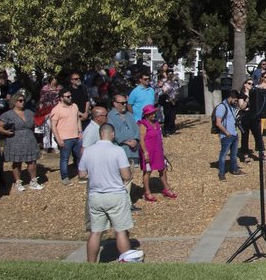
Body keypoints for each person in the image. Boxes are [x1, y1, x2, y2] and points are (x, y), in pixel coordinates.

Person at [78, 122, 134, 262]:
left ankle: (91, 264)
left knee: (95, 232)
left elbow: (81, 174)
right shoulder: (117, 150)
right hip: (115, 194)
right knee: (120, 231)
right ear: (112, 134)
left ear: (100, 134)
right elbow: (126, 176)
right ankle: (126, 261)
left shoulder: (89, 151)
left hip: (96, 196)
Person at [0, 90, 42, 192]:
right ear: (14, 102)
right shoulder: (7, 114)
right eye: (20, 100)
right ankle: (18, 182)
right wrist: (6, 132)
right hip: (15, 140)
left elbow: (36, 124)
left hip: (29, 139)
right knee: (17, 162)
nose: (22, 102)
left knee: (32, 161)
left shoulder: (29, 113)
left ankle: (33, 181)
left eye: (23, 100)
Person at [138, 104, 175, 201]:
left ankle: (166, 188)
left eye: (154, 113)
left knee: (162, 169)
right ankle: (147, 192)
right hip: (148, 151)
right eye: (151, 113)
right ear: (146, 115)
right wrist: (145, 152)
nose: (154, 115)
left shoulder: (157, 123)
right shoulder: (143, 124)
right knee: (148, 171)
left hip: (158, 150)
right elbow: (141, 139)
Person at [49, 86, 84, 185]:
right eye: (67, 96)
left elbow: (78, 120)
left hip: (76, 137)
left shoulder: (74, 106)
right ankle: (65, 177)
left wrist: (80, 132)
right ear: (61, 97)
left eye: (70, 96)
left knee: (80, 156)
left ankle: (81, 174)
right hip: (64, 138)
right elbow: (53, 126)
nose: (70, 98)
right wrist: (58, 139)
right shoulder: (56, 109)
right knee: (64, 159)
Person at [214, 90, 243, 181]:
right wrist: (226, 133)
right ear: (231, 97)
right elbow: (218, 123)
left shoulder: (232, 106)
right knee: (223, 155)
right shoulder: (222, 107)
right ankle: (221, 173)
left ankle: (235, 170)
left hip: (234, 134)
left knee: (233, 154)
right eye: (235, 100)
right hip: (226, 136)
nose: (236, 102)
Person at [159, 70, 180, 136]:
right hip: (167, 101)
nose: (171, 75)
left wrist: (175, 98)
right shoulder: (165, 82)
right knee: (167, 115)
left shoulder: (175, 83)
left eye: (172, 74)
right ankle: (166, 129)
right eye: (169, 74)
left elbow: (177, 91)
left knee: (173, 116)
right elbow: (163, 92)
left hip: (173, 101)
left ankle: (172, 129)